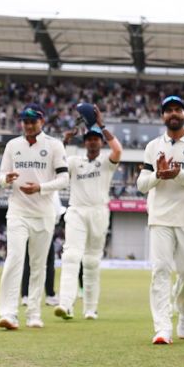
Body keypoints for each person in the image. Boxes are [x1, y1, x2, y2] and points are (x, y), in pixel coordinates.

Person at [136, 96, 184, 345]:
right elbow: (141, 185)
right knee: (160, 271)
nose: (173, 114)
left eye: (177, 109)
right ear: (162, 117)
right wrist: (158, 175)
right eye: (168, 110)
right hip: (160, 217)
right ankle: (162, 327)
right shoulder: (153, 146)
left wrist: (179, 174)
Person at [0, 103, 69, 330]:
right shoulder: (13, 145)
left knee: (38, 265)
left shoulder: (54, 145)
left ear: (41, 121)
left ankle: (34, 314)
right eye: (25, 121)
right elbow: (0, 175)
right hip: (18, 210)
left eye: (32, 121)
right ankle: (9, 313)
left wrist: (41, 187)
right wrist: (6, 179)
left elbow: (64, 180)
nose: (28, 125)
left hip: (44, 212)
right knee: (15, 259)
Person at [54, 106, 122, 320]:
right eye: (89, 139)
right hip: (76, 212)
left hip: (99, 212)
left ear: (100, 142)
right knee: (71, 256)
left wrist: (101, 125)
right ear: (84, 143)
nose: (93, 142)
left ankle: (90, 308)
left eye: (96, 139)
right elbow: (55, 161)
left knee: (92, 261)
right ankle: (65, 304)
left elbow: (118, 151)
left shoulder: (106, 163)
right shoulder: (75, 162)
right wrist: (64, 140)